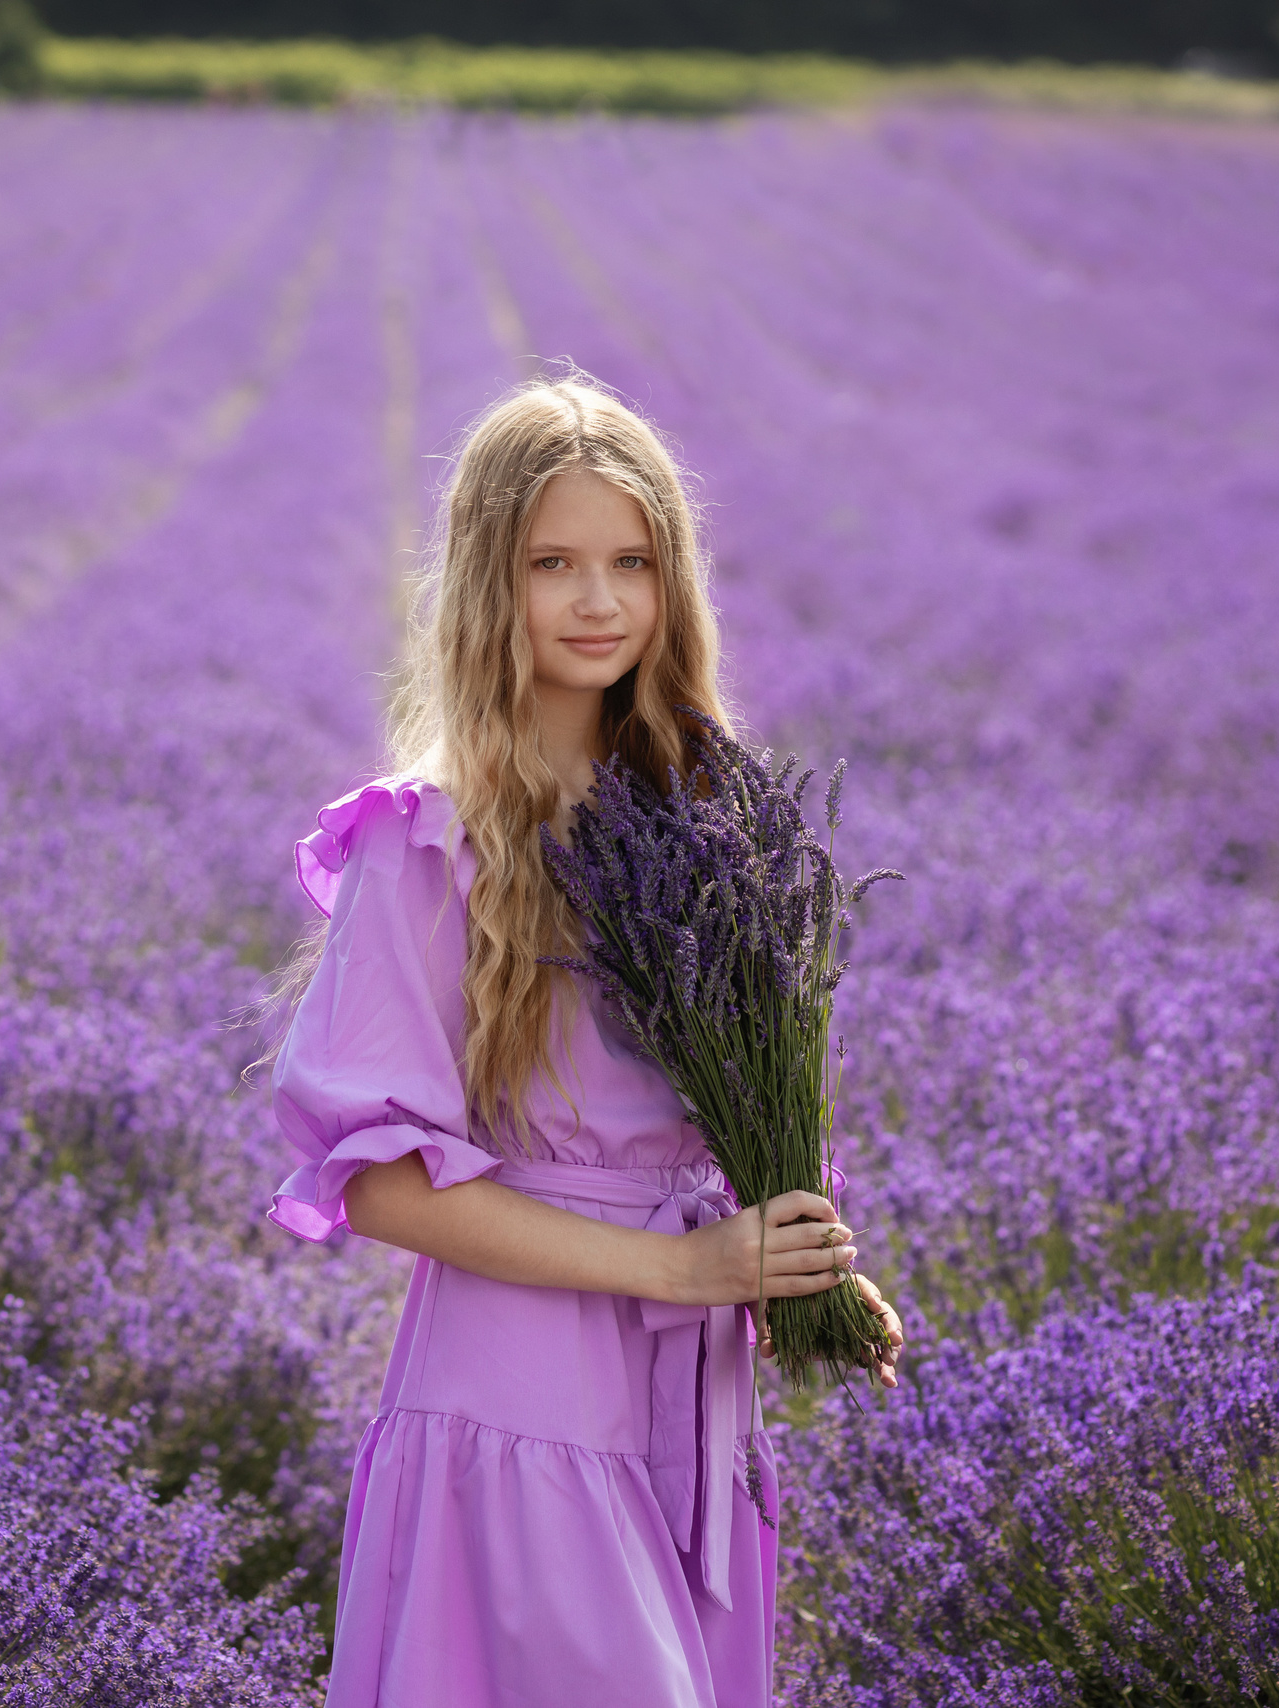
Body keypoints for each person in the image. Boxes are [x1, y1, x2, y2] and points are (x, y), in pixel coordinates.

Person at [265, 374, 906, 1707]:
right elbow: (377, 1182)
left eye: (632, 563)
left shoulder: (708, 822)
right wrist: (678, 1272)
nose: (600, 601)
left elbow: (745, 1099)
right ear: (489, 581)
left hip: (690, 1389)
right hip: (520, 1395)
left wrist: (794, 1270)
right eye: (555, 564)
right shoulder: (423, 843)